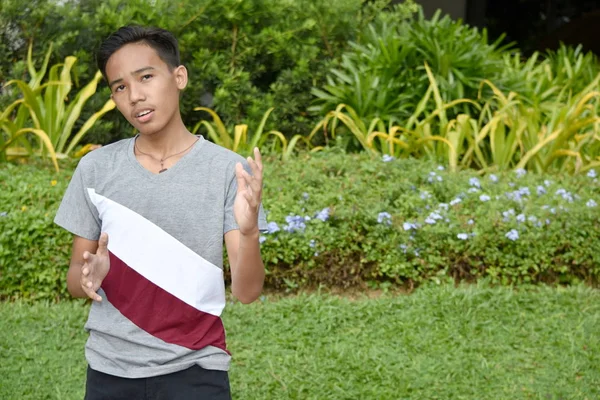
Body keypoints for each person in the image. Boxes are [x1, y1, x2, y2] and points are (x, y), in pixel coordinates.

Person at [54, 25, 268, 400]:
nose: (135, 96)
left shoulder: (228, 171)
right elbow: (75, 277)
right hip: (109, 370)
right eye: (120, 87)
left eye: (146, 77)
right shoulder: (95, 169)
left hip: (197, 369)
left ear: (179, 76)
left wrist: (248, 233)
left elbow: (248, 292)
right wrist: (89, 278)